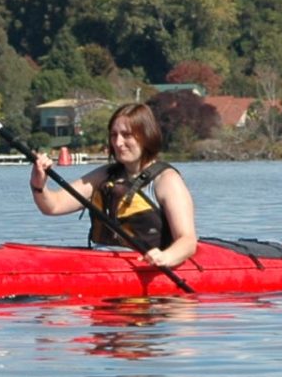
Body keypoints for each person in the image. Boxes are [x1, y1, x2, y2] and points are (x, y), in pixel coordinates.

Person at [30, 101, 198, 269]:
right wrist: (39, 185)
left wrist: (166, 257)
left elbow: (187, 240)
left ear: (147, 136)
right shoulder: (104, 175)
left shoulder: (167, 180)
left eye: (127, 135)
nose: (118, 143)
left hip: (146, 267)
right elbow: (53, 206)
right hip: (102, 263)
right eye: (114, 135)